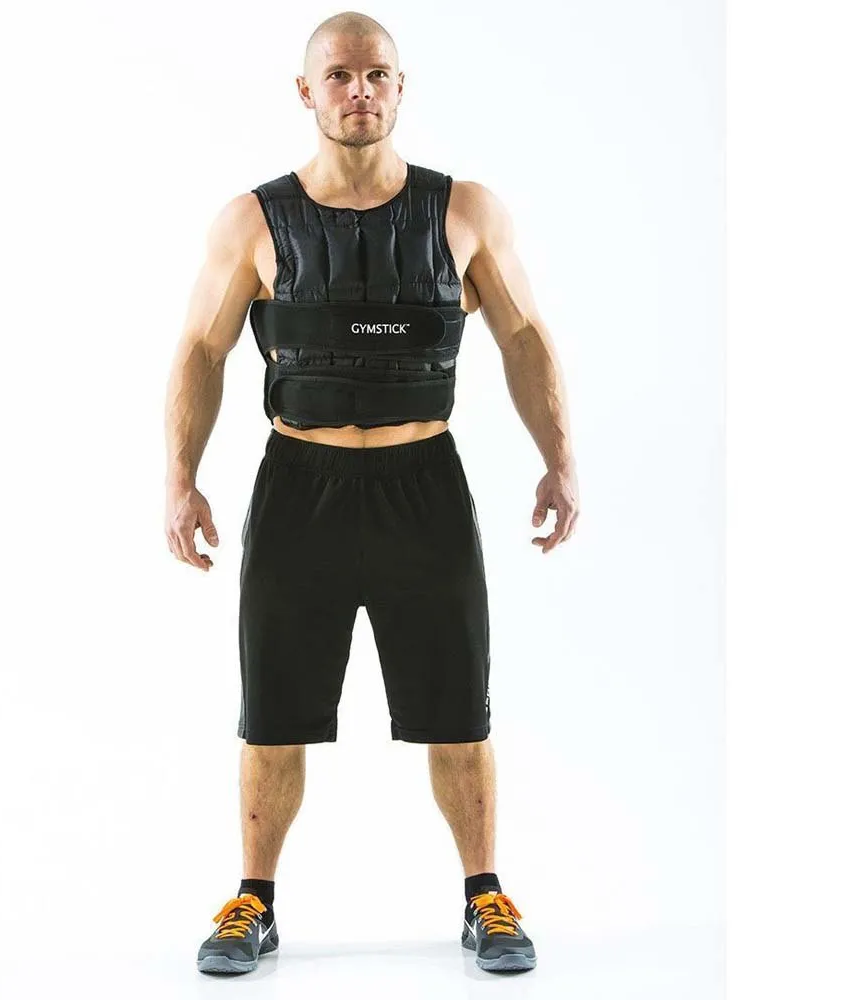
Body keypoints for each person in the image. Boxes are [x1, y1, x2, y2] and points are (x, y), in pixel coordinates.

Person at [163, 10, 579, 977]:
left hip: (422, 484)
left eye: (377, 74)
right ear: (306, 91)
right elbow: (200, 350)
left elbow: (523, 336)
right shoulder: (252, 222)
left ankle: (485, 896)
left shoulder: (465, 213)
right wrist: (180, 480)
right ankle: (253, 900)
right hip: (298, 487)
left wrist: (559, 459)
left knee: (458, 708)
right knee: (273, 710)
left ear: (400, 86)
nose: (360, 91)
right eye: (340, 75)